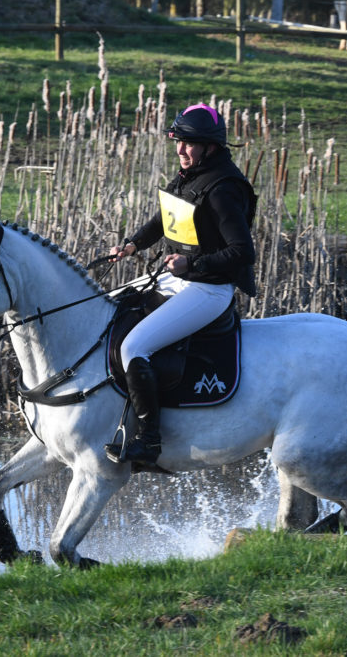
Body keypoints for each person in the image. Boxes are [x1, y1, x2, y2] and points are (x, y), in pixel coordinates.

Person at [104, 103, 258, 467]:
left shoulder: (222, 189)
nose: (180, 150)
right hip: (179, 280)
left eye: (188, 144)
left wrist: (193, 263)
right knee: (109, 305)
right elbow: (165, 218)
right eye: (178, 142)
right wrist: (133, 244)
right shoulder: (190, 176)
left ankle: (148, 442)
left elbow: (243, 252)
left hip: (209, 290)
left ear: (210, 146)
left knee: (133, 348)